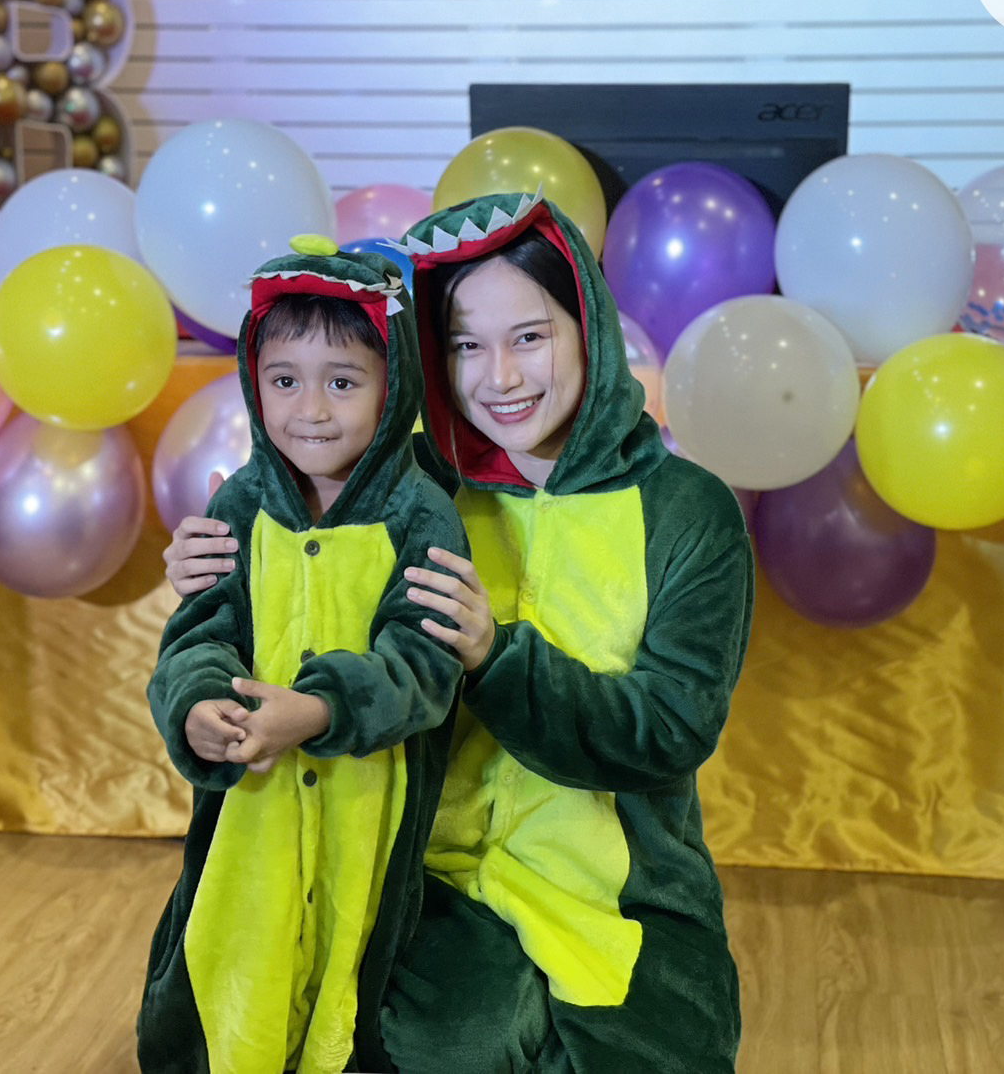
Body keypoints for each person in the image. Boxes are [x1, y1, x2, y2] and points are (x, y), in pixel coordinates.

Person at [163, 193, 754, 1073]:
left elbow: (669, 729)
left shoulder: (686, 510)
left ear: (588, 328)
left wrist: (496, 655)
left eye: (529, 336)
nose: (499, 377)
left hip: (623, 884)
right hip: (421, 873)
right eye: (465, 345)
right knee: (446, 1044)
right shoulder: (406, 492)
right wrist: (212, 561)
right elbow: (288, 564)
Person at [140, 240, 469, 1073]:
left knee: (349, 953)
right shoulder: (240, 501)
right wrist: (198, 702)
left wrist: (323, 708)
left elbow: (424, 661)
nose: (310, 409)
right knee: (241, 939)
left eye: (343, 382)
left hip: (369, 802)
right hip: (254, 802)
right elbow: (199, 630)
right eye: (284, 380)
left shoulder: (419, 512)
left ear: (392, 385)